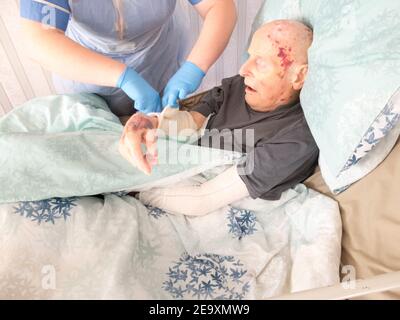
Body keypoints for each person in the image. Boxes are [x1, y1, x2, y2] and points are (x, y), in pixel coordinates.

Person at [119, 20, 318, 216]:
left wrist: (137, 193)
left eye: (261, 62)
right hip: (184, 165)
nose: (243, 70)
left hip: (209, 195)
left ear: (298, 77)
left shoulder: (296, 138)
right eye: (249, 56)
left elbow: (204, 200)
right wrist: (151, 122)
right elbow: (191, 123)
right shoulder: (238, 87)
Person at [19, 0, 237, 116]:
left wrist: (194, 68)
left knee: (160, 132)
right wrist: (122, 76)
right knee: (102, 141)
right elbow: (40, 38)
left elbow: (218, 5)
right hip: (86, 65)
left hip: (159, 54)